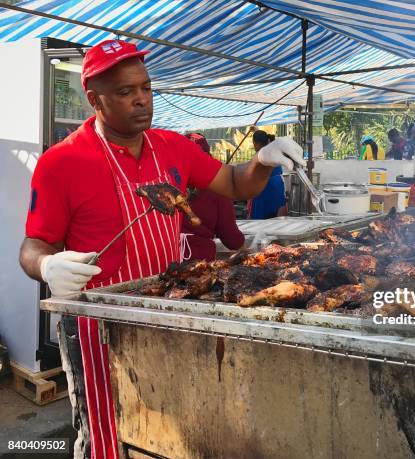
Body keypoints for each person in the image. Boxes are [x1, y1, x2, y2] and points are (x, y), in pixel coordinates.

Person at [18, 40, 304, 458]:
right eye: (125, 92)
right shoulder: (62, 162)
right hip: (96, 323)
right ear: (95, 100)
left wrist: (262, 160)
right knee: (104, 432)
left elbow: (235, 183)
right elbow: (32, 245)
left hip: (162, 310)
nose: (140, 100)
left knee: (164, 426)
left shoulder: (171, 147)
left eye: (146, 88)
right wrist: (46, 266)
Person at [181, 134, 245, 262]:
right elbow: (231, 239)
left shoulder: (165, 183)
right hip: (199, 265)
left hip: (163, 261)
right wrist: (244, 250)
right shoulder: (218, 190)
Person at [248, 130, 288, 219]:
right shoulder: (273, 152)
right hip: (277, 188)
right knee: (274, 220)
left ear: (255, 143)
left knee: (260, 223)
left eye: (254, 143)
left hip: (266, 189)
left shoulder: (260, 156)